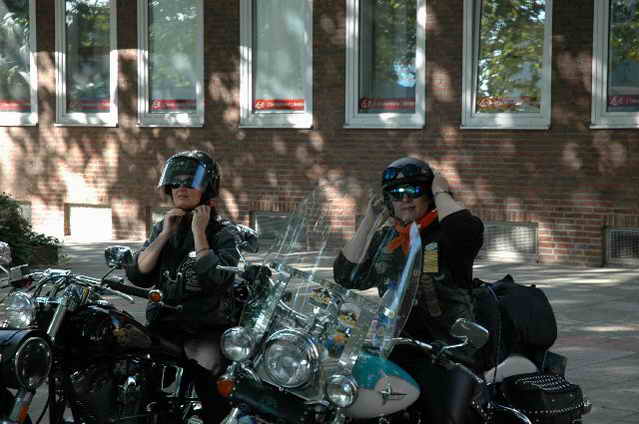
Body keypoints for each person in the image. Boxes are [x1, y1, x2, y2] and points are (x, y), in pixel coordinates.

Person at [333, 156, 484, 424]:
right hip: (395, 345)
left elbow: (466, 232)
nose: (405, 199)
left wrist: (441, 192)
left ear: (428, 196)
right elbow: (347, 275)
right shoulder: (387, 238)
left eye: (414, 190)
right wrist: (370, 218)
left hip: (448, 349)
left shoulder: (444, 234)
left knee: (446, 417)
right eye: (396, 193)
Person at [126, 150, 240, 424]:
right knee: (135, 376)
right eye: (175, 183)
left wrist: (199, 232)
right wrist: (165, 234)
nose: (181, 189)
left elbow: (216, 278)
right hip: (165, 322)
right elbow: (139, 275)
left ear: (206, 188)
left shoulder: (223, 232)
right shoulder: (163, 227)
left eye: (189, 183)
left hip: (205, 326)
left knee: (212, 387)